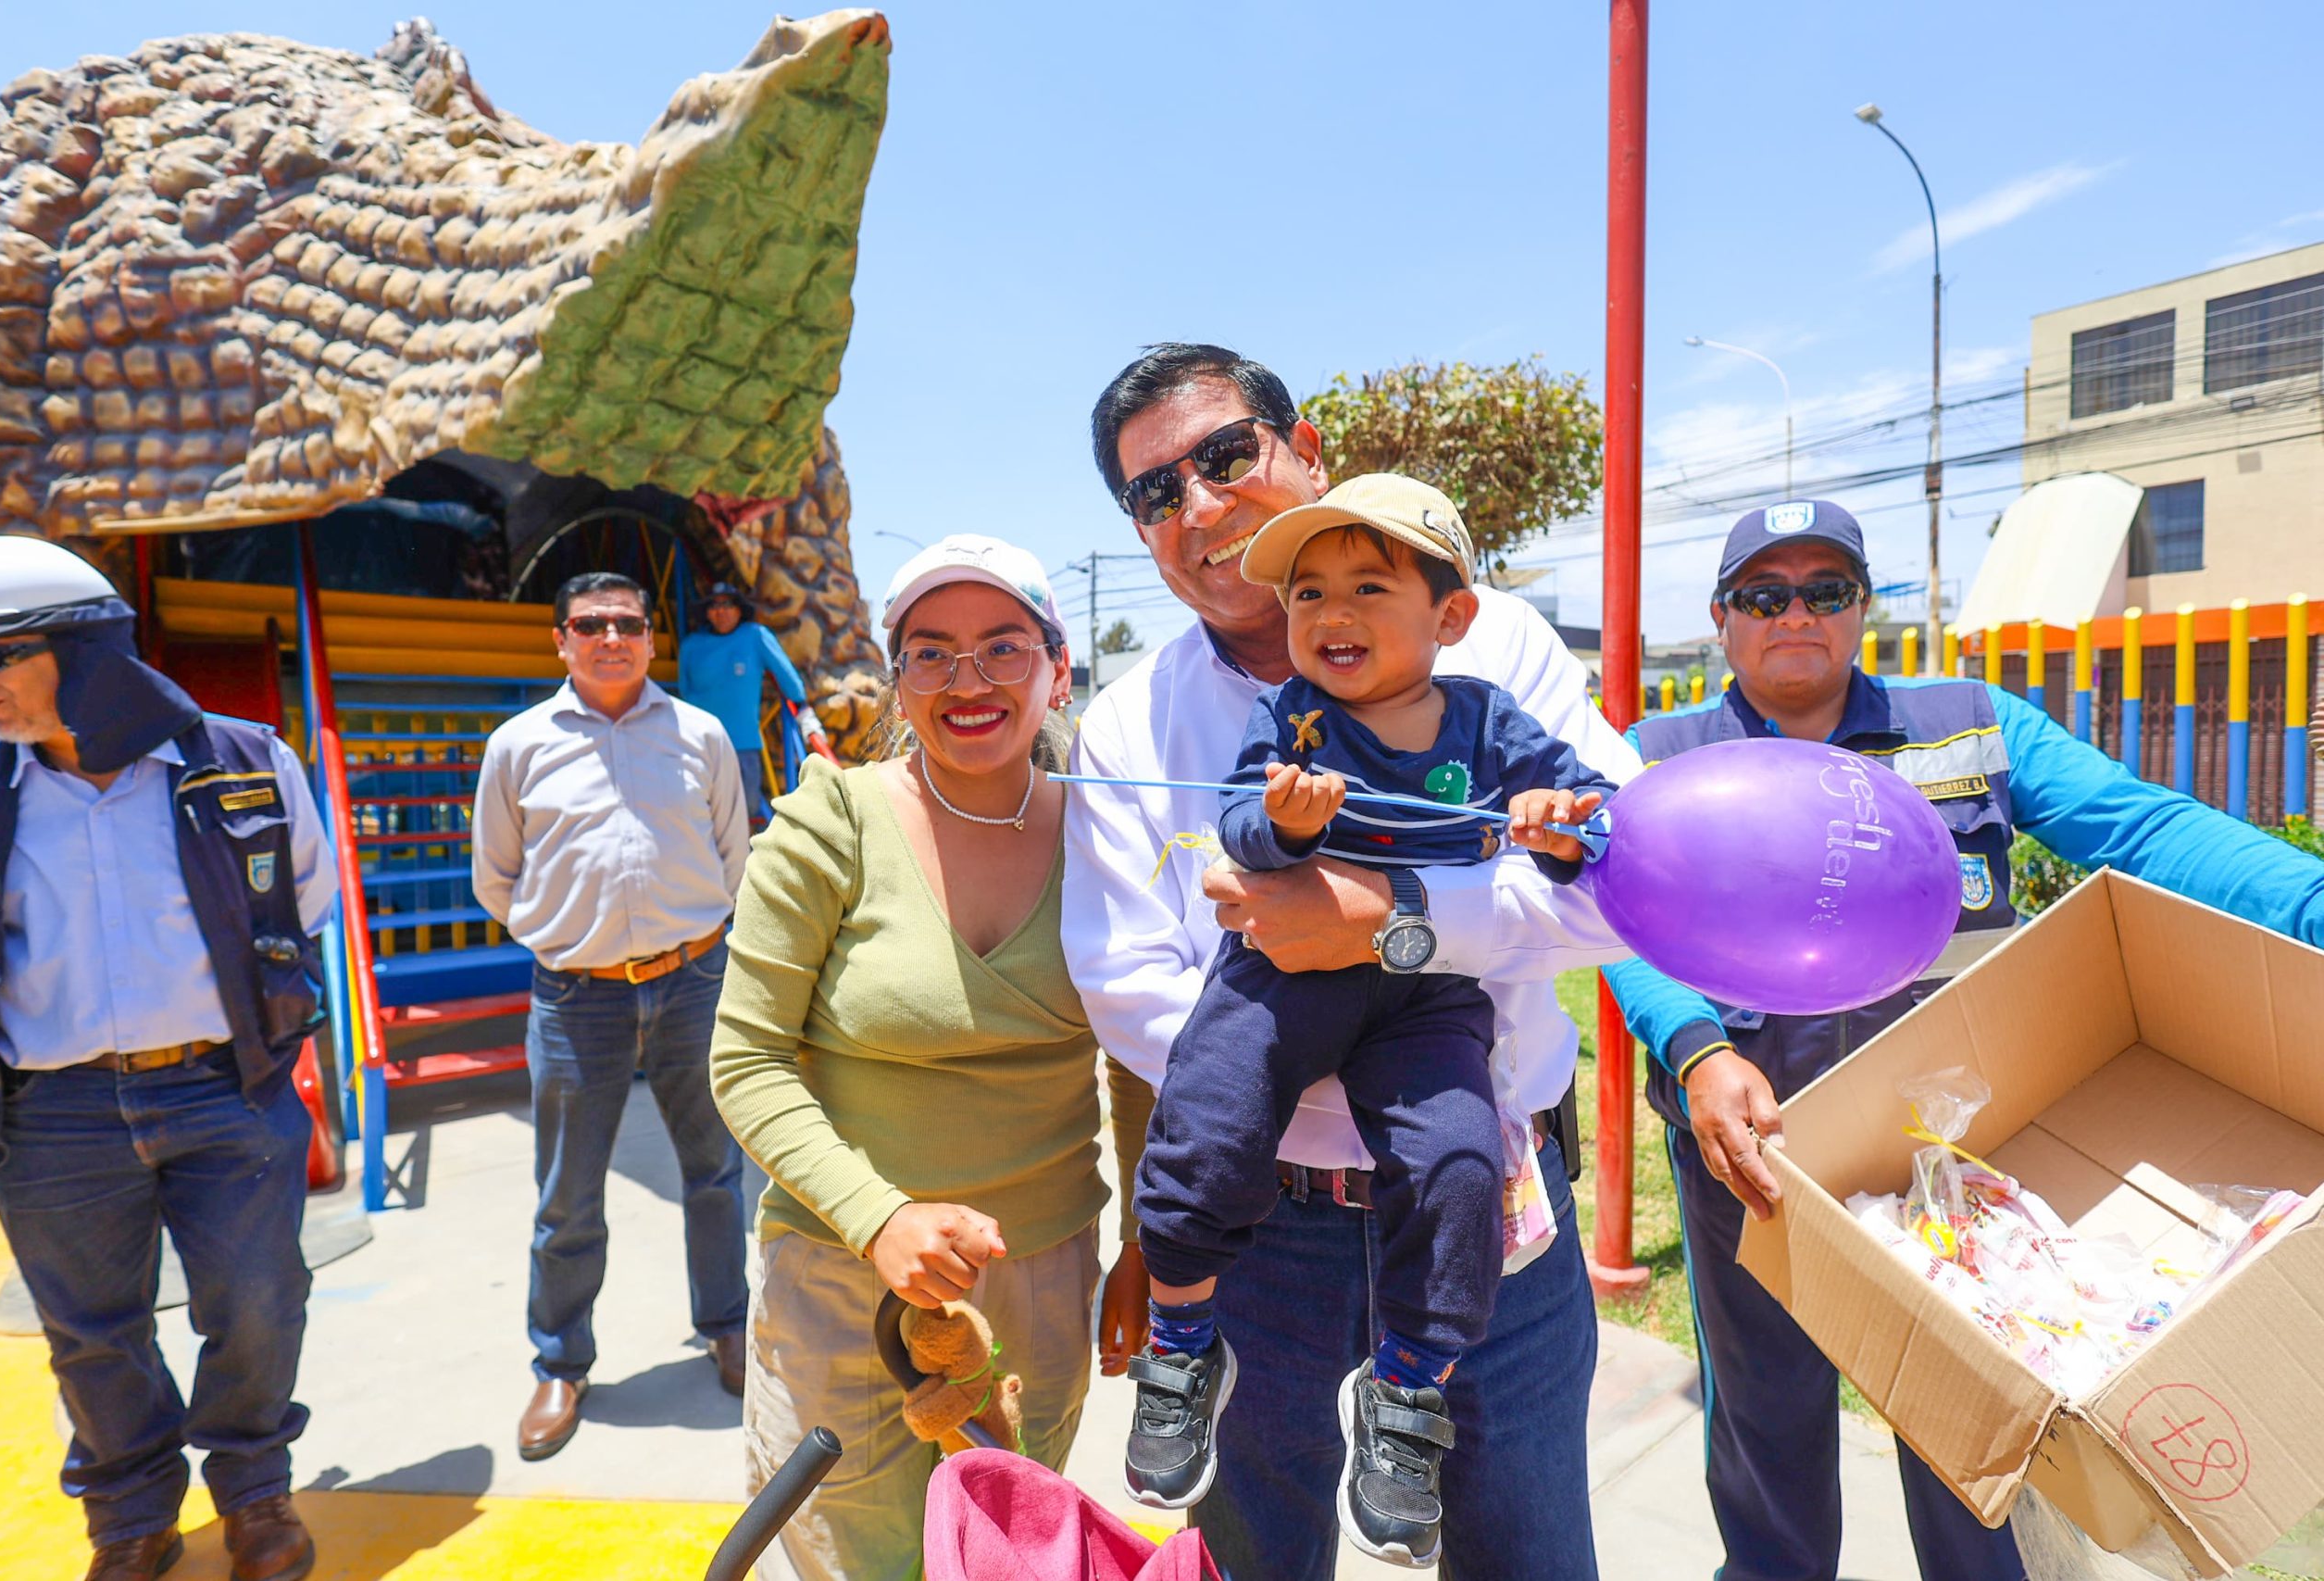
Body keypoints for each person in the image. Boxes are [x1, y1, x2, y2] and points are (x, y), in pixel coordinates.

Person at [1602, 498, 2324, 1581]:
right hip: (1751, 1142)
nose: (1794, 613)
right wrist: (1698, 1050)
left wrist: (2311, 903)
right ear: (1720, 618)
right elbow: (1612, 925)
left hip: (1948, 1142)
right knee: (1765, 1427)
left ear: (1862, 608)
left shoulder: (1969, 721)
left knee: (1973, 1437)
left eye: (1825, 590)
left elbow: (2140, 827)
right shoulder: (1656, 755)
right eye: (1763, 594)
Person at [1063, 345, 1641, 1581]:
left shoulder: (1504, 664)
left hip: (1484, 1194)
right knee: (1256, 1550)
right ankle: (1187, 1349)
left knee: (1530, 1545)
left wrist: (1391, 919)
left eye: (1226, 455)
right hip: (1260, 1229)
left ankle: (1412, 1391)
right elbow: (1125, 983)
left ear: (1304, 446)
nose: (1200, 506)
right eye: (1155, 493)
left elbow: (1626, 884)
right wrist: (1305, 1053)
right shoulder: (1128, 723)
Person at [710, 535, 1153, 1581]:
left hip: (1037, 1282)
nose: (968, 682)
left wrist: (1141, 1244)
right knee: (852, 1559)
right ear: (896, 679)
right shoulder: (833, 824)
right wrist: (882, 1219)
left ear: (1057, 668)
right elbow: (745, 1059)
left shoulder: (1105, 838)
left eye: (1003, 648)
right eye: (931, 653)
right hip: (837, 1282)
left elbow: (1136, 1065)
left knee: (1002, 1555)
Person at [0, 536, 337, 1581]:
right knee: (90, 1333)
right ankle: (129, 1517)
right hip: (50, 1116)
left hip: (223, 1090)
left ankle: (255, 1493)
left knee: (258, 1302)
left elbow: (302, 906)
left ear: (81, 654)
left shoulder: (247, 761)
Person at [470, 571, 756, 1462]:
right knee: (567, 1195)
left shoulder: (700, 734)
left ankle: (728, 1327)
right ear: (560, 639)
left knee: (713, 1175)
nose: (610, 637)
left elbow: (733, 852)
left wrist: (697, 942)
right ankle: (560, 1364)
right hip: (574, 999)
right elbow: (495, 877)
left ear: (649, 636)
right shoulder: (518, 746)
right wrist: (566, 939)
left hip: (691, 983)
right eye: (588, 623)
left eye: (627, 623)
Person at [677, 580, 822, 816]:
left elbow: (785, 674)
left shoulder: (755, 636)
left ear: (739, 610)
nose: (721, 611)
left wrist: (803, 709)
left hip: (742, 745)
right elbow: (684, 689)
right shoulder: (691, 646)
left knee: (744, 812)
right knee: (698, 812)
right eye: (714, 606)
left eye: (728, 605)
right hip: (698, 746)